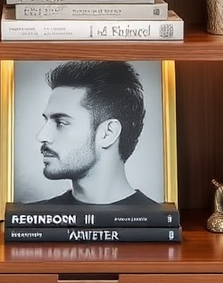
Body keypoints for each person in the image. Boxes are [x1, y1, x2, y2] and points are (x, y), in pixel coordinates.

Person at [32, 59, 156, 205]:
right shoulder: (32, 219)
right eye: (46, 121)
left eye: (61, 123)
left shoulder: (156, 222)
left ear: (108, 133)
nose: (41, 136)